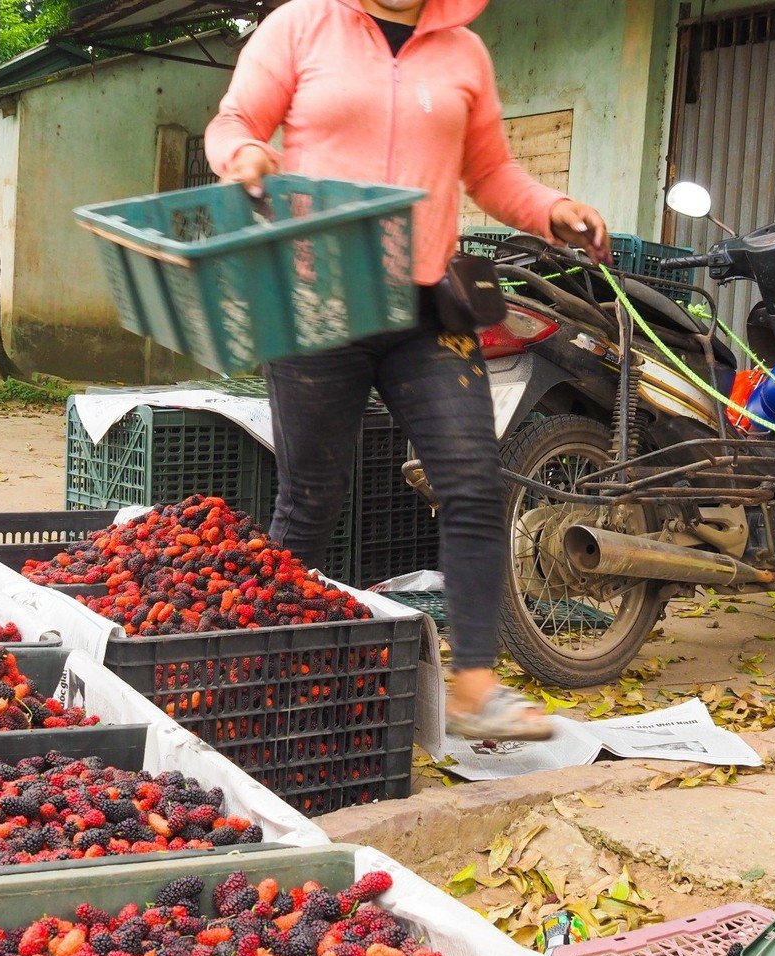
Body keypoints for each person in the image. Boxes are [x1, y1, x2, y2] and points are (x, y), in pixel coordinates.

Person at [206, 0, 610, 742]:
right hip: (313, 301)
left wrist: (550, 208)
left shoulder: (463, 54)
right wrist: (247, 160)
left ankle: (475, 687)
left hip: (425, 309)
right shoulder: (303, 24)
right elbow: (233, 122)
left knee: (474, 481)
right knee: (311, 497)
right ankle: (262, 679)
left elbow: (490, 172)